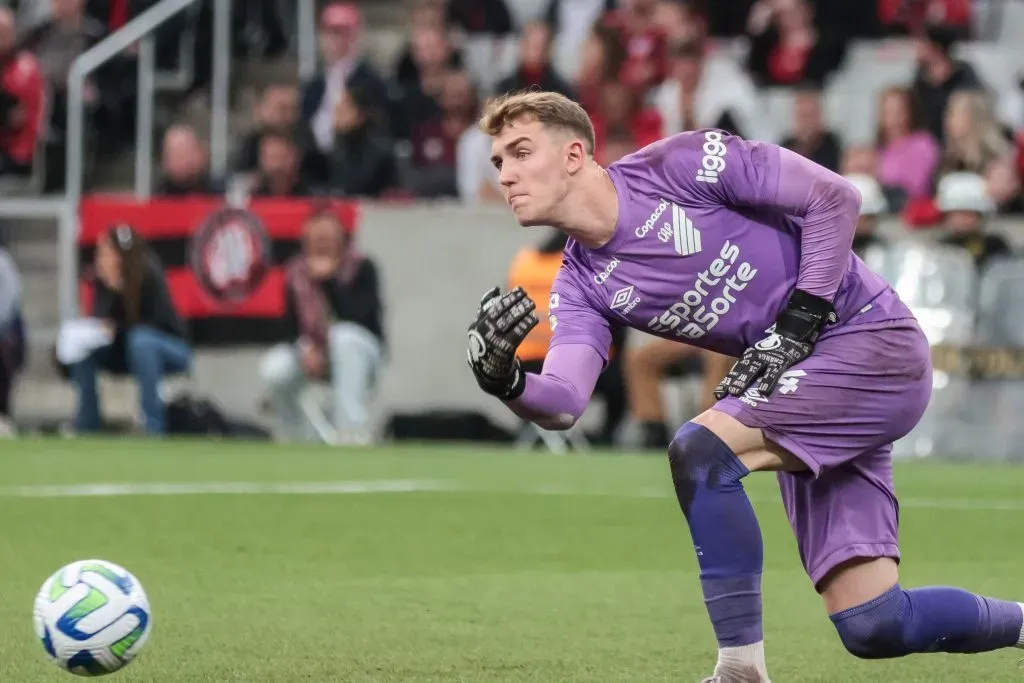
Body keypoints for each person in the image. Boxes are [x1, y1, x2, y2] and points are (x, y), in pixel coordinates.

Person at [465, 91, 1024, 682]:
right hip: (802, 381)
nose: (506, 174)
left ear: (574, 153)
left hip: (869, 341)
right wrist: (507, 379)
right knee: (874, 623)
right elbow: (564, 403)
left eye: (521, 153)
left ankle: (739, 671)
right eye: (499, 161)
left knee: (701, 450)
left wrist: (798, 323)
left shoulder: (680, 164)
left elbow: (835, 197)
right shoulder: (579, 283)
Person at [260, 208, 384, 445]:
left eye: (327, 239)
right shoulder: (295, 274)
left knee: (343, 336)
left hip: (360, 353)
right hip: (312, 353)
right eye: (316, 240)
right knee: (273, 368)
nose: (322, 246)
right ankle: (302, 437)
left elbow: (361, 318)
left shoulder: (361, 268)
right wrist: (306, 348)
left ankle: (350, 431)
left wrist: (329, 282)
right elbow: (288, 328)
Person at [71, 225, 191, 435]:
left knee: (142, 341)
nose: (99, 259)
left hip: (168, 348)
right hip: (125, 348)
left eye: (104, 253)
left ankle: (153, 425)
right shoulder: (103, 281)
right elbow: (102, 324)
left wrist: (118, 320)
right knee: (83, 349)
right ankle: (87, 424)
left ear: (118, 256)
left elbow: (155, 323)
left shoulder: (149, 275)